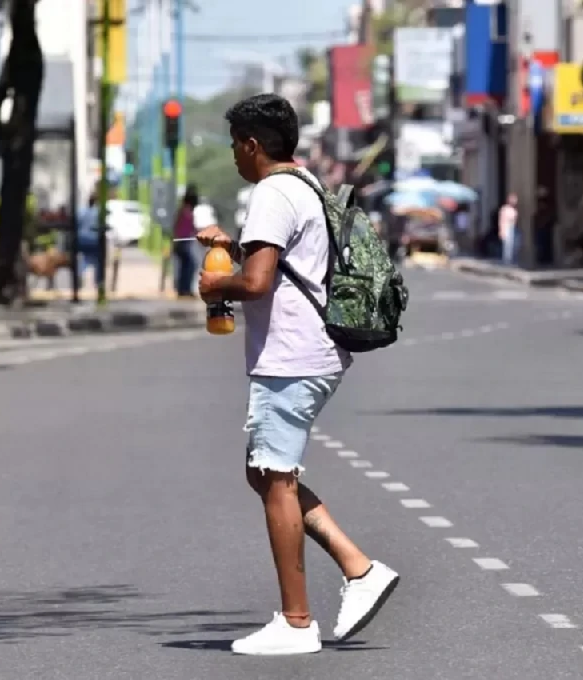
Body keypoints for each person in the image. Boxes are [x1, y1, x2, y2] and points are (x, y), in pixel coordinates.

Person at [195, 93, 400, 656]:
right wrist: (232, 248)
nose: (236, 155)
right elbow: (283, 262)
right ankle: (358, 568)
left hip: (291, 356)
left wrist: (217, 285)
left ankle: (296, 621)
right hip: (310, 351)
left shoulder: (268, 193)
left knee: (275, 478)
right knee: (264, 474)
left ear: (253, 144)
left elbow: (257, 283)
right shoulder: (303, 184)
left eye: (237, 144)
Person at [171, 187, 200, 298]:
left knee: (186, 266)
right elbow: (185, 228)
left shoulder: (183, 210)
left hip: (181, 242)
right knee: (190, 265)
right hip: (182, 242)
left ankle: (183, 289)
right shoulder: (186, 212)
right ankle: (184, 289)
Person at [499, 192, 519, 265]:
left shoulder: (514, 210)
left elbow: (515, 220)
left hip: (513, 227)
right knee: (507, 245)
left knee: (514, 245)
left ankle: (512, 260)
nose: (515, 201)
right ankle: (507, 261)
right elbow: (501, 220)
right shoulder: (504, 209)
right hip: (506, 227)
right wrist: (501, 230)